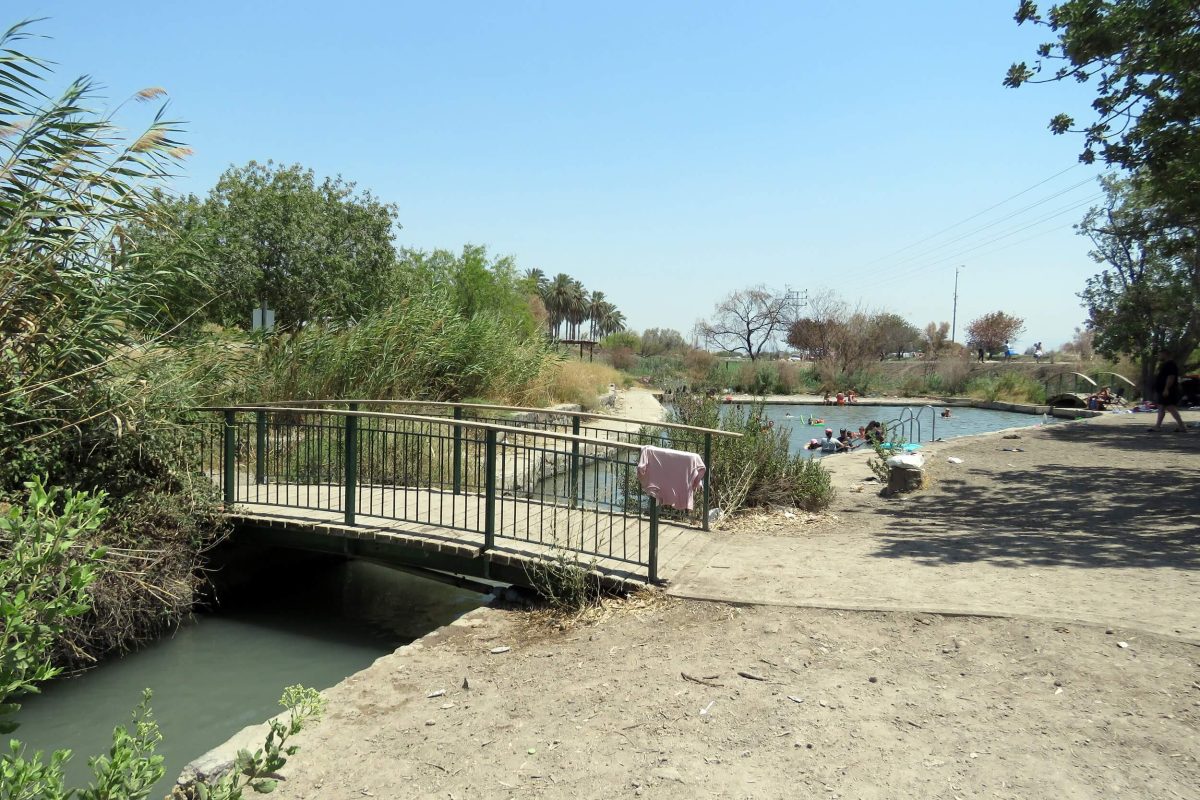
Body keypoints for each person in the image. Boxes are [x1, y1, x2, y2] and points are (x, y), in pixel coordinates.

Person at [1149, 348, 1186, 432]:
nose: (1159, 356)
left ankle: (1182, 426)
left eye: (1160, 354)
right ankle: (1158, 426)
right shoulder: (1165, 364)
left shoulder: (1170, 364)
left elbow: (1171, 377)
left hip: (1167, 390)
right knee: (1162, 407)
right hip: (1163, 390)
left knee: (1170, 407)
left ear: (1165, 354)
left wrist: (1166, 389)